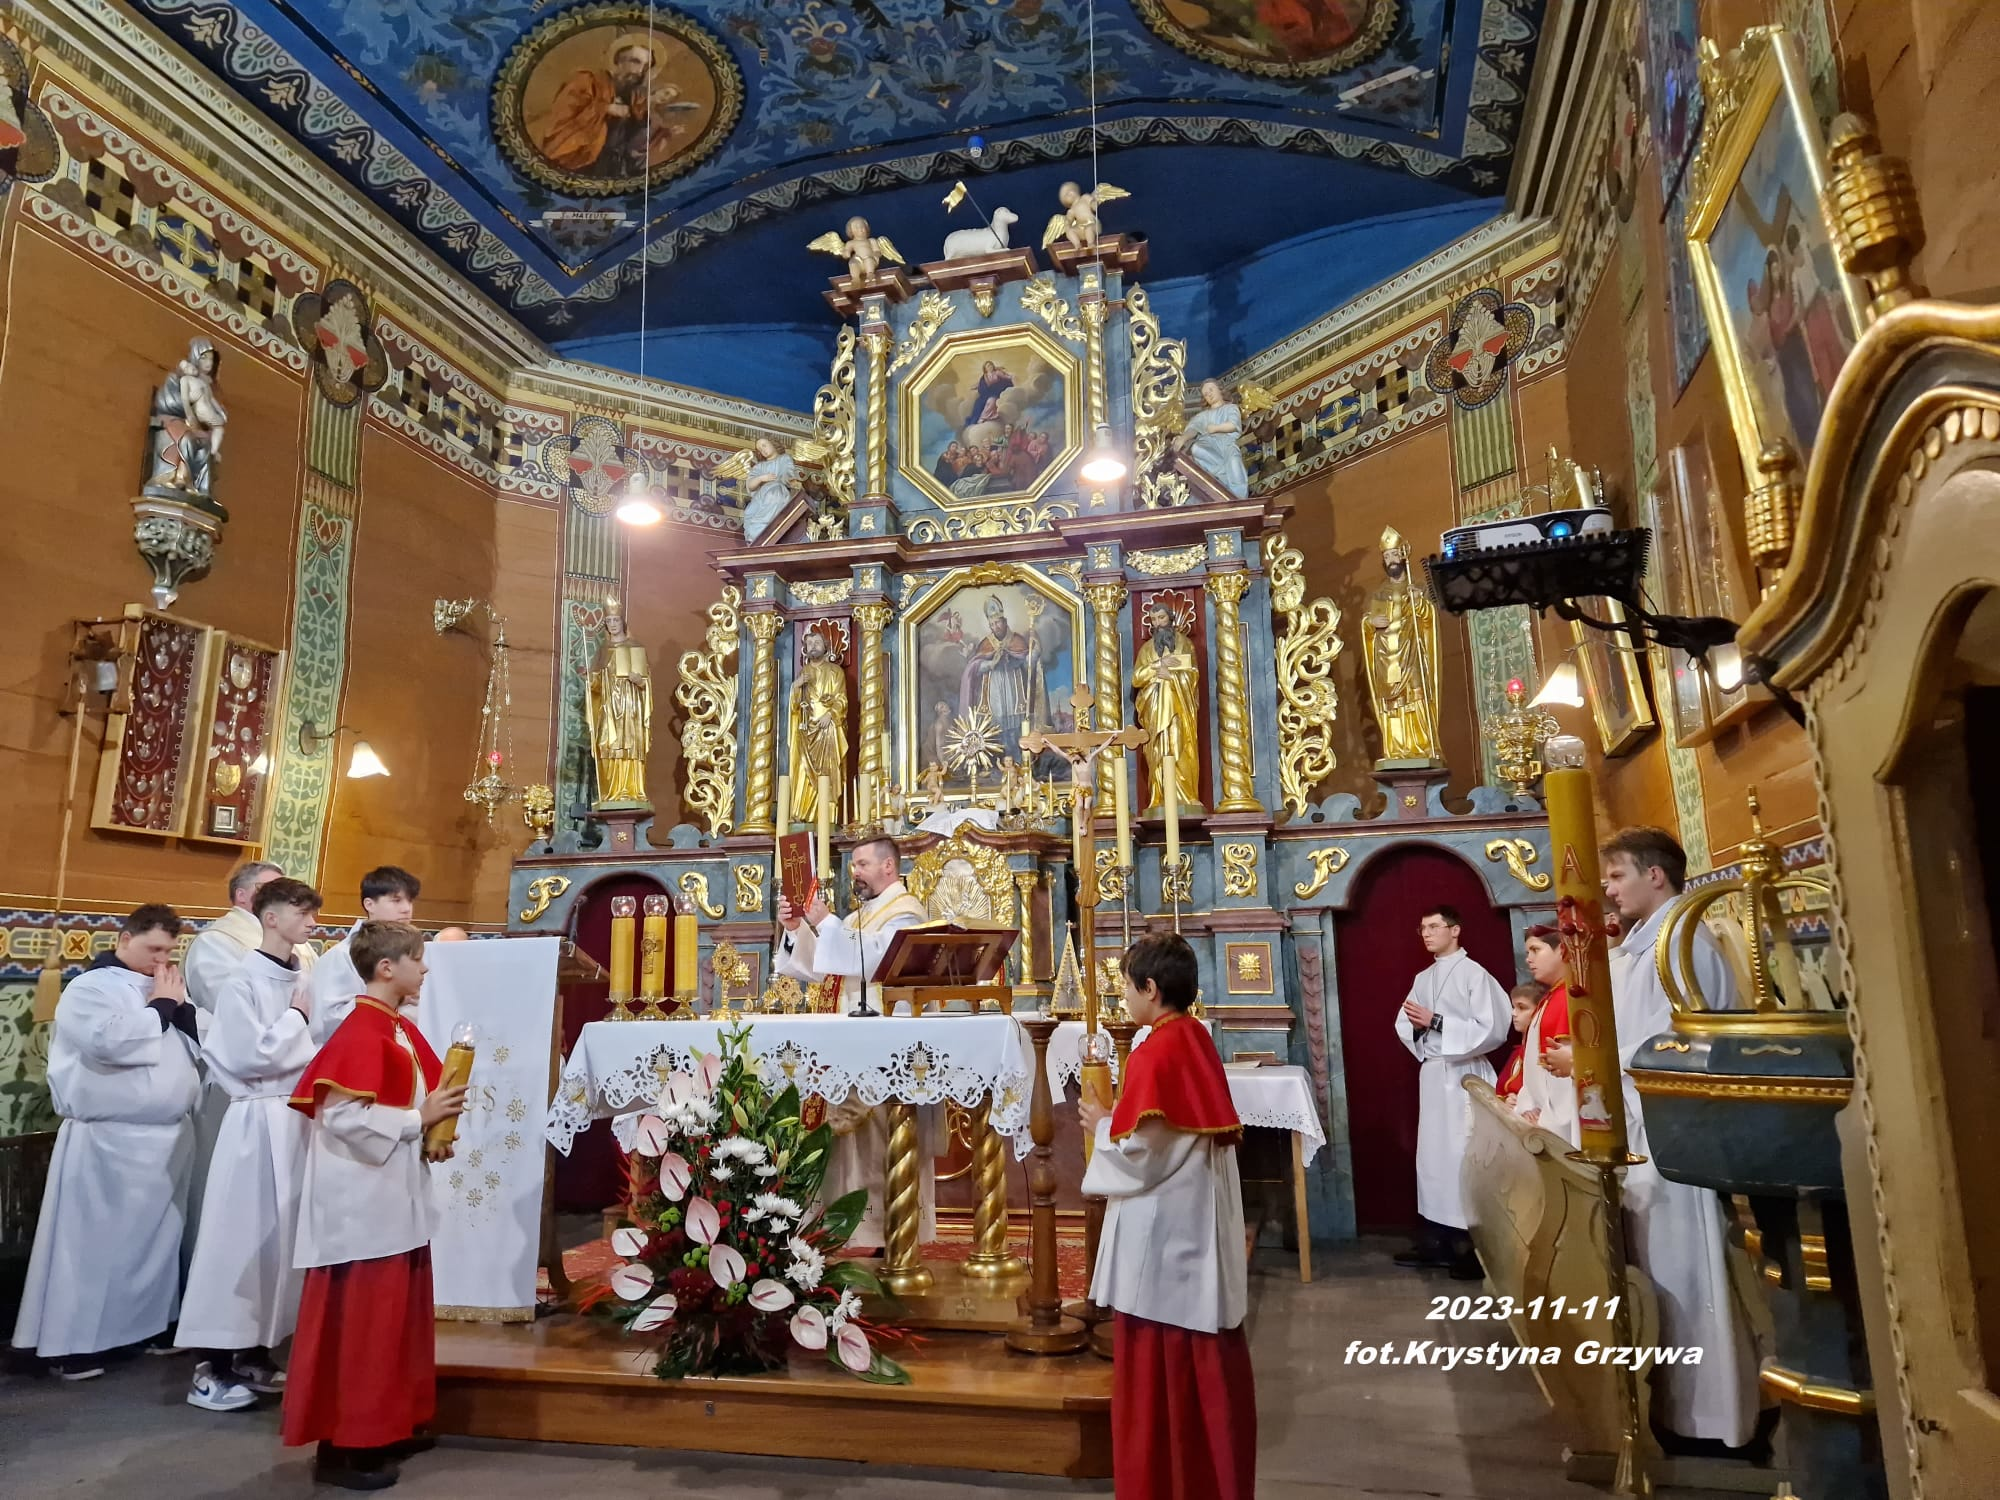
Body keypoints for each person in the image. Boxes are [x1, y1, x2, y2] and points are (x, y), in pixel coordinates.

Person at [284, 922, 467, 1490]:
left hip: (392, 1199)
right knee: (361, 1329)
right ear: (386, 968)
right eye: (417, 959)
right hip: (359, 1209)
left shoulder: (397, 1029)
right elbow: (341, 1118)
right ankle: (344, 1447)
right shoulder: (361, 1031)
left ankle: (386, 1425)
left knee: (393, 1325)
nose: (426, 969)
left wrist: (431, 1128)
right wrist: (420, 1120)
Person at [1602, 827, 1763, 1449]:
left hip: (1681, 1127)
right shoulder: (1650, 941)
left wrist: (1597, 1061)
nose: (1609, 891)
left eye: (1617, 877)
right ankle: (1679, 1412)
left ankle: (1715, 1422)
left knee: (1691, 1274)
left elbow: (1679, 1044)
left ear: (1656, 876)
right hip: (1654, 1122)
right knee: (1666, 1270)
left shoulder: (1682, 937)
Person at [1079, 934, 1254, 1499]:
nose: (1123, 998)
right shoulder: (1193, 1036)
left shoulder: (1157, 1049)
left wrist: (1101, 1125)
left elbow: (1143, 1158)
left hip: (1165, 1248)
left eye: (1127, 987)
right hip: (1194, 1228)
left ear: (1150, 989)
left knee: (1162, 1377)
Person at [12, 905, 201, 1380]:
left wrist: (182, 1011)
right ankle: (74, 1346)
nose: (162, 959)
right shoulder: (89, 988)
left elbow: (206, 1044)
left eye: (169, 950)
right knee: (95, 1249)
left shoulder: (166, 986)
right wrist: (161, 1008)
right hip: (109, 1142)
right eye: (153, 948)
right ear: (124, 939)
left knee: (156, 1245)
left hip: (167, 1140)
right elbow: (109, 1043)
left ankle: (148, 1328)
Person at [175, 877, 324, 1409]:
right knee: (236, 1240)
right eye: (301, 911)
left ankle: (257, 1352)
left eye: (312, 912)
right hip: (255, 1121)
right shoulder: (242, 981)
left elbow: (316, 1046)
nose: (311, 922)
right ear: (271, 917)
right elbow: (247, 1056)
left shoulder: (303, 974)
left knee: (278, 1246)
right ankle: (210, 1367)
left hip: (293, 1121)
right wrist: (298, 1018)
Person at [774, 836, 931, 1248]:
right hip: (846, 1044)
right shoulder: (863, 916)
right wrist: (797, 929)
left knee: (875, 1143)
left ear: (889, 867)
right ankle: (839, 1231)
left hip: (883, 1046)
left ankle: (884, 1232)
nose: (854, 873)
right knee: (847, 1146)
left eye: (862, 864)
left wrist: (826, 923)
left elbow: (876, 960)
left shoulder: (907, 913)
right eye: (854, 865)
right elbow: (828, 968)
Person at [1392, 904, 1510, 1279]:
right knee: (1434, 1157)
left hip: (1464, 1075)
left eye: (1433, 926)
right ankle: (1437, 1239)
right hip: (1434, 1075)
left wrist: (1437, 1022)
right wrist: (1423, 1029)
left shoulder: (1474, 974)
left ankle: (1474, 1246)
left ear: (1455, 930)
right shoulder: (1423, 977)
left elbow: (1493, 1028)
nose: (1426, 934)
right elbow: (1403, 1022)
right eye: (1422, 928)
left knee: (1464, 1154)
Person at [305, 866, 420, 1044]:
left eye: (410, 901)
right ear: (369, 904)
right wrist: (393, 999)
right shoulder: (341, 956)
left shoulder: (408, 954)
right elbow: (330, 1019)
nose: (406, 909)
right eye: (396, 900)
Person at [1514, 924, 1576, 1140]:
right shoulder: (1550, 998)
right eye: (1528, 952)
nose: (1528, 959)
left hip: (1558, 1120)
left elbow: (1565, 1069)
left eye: (1536, 950)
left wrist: (1549, 1118)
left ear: (1562, 949)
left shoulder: (1571, 997)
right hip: (1540, 1113)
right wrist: (1527, 1106)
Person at [1495, 982, 1546, 1102]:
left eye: (1522, 1008)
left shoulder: (1544, 1053)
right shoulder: (1517, 1053)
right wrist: (1508, 1099)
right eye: (1513, 1007)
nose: (1513, 1013)